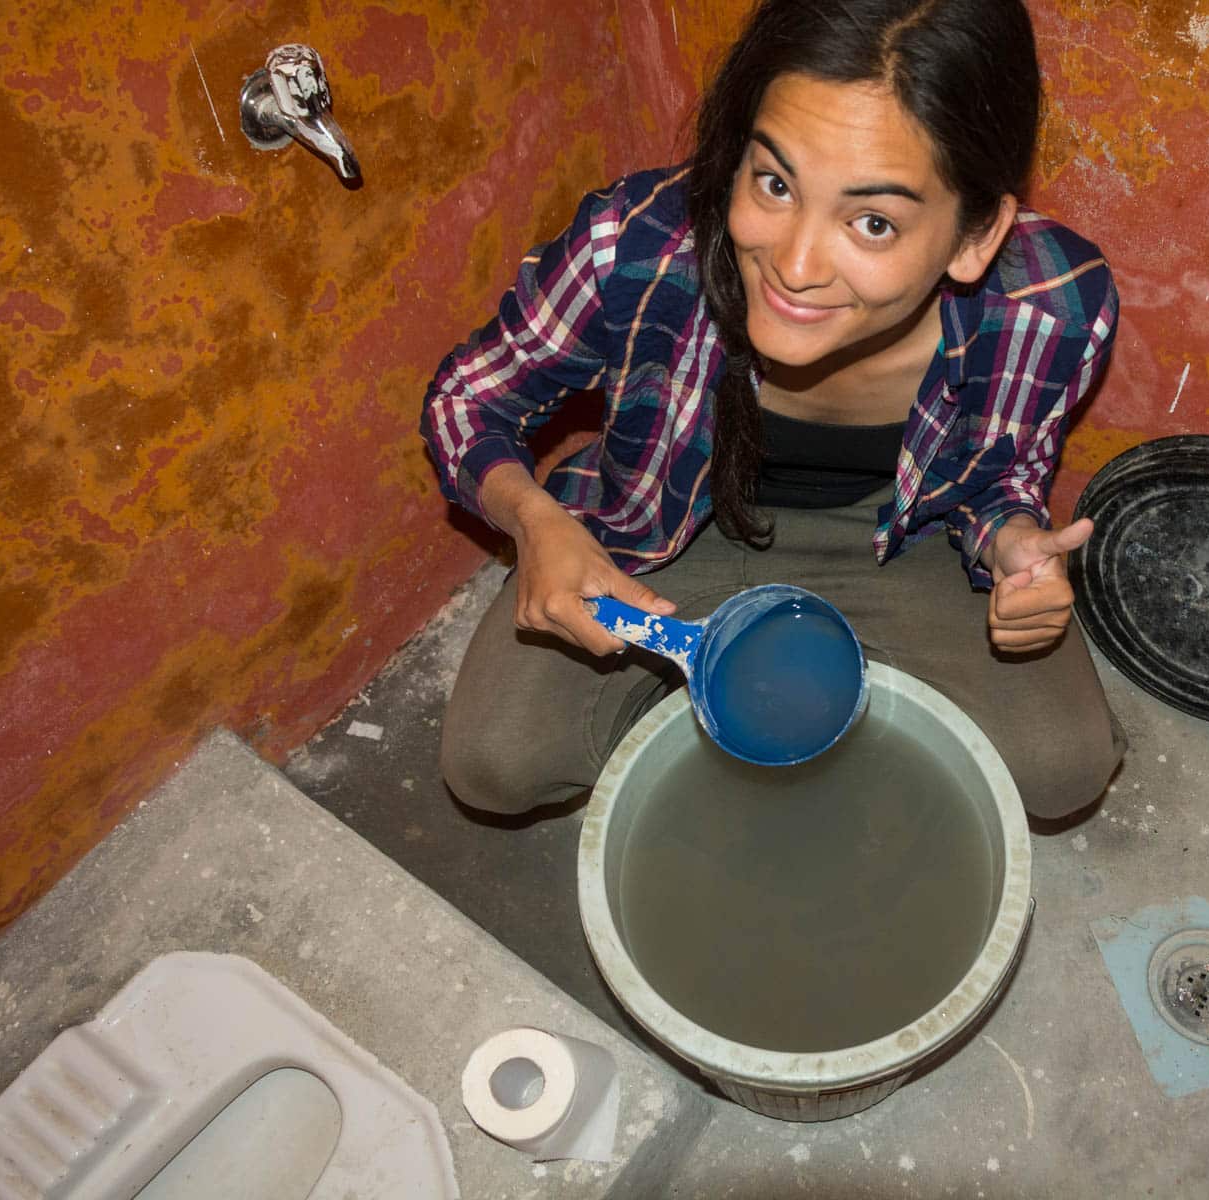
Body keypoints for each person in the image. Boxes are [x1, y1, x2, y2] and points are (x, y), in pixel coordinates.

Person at [422, 0, 1123, 821]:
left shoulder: (1051, 308)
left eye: (872, 222)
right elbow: (467, 399)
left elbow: (1002, 476)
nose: (792, 265)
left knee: (1061, 768)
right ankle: (726, 679)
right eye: (775, 182)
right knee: (493, 763)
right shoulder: (635, 245)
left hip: (903, 540)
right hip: (667, 527)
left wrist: (1011, 543)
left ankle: (768, 683)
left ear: (976, 234)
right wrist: (537, 521)